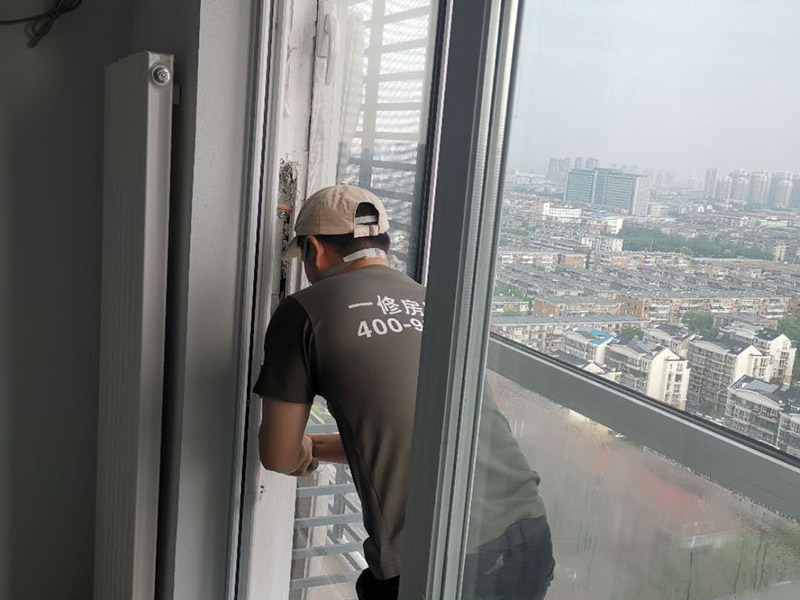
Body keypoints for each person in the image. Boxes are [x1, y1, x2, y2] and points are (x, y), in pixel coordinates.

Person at [254, 183, 554, 600]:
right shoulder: (431, 300)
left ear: (315, 250)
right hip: (529, 541)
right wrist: (315, 446)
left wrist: (301, 451)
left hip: (439, 564)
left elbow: (278, 455)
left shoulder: (303, 310)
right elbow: (410, 431)